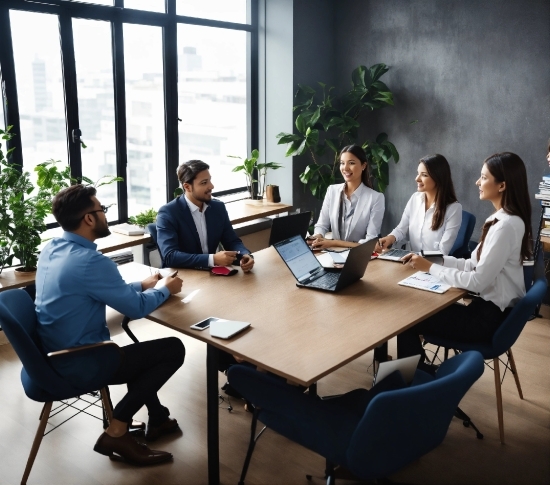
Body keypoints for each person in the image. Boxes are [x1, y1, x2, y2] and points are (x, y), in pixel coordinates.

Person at [35, 184, 185, 466]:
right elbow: (136, 308)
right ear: (89, 218)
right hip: (80, 362)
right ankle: (117, 430)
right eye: (102, 210)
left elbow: (92, 288)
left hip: (51, 355)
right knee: (172, 349)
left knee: (138, 355)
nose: (105, 215)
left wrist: (141, 284)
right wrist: (166, 288)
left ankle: (159, 418)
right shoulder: (91, 261)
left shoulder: (52, 248)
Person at [397, 152, 532, 371]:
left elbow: (477, 281)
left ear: (502, 185)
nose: (477, 182)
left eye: (484, 177)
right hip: (486, 312)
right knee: (413, 312)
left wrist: (431, 268)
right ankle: (420, 375)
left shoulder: (505, 226)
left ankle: (412, 380)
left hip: (486, 321)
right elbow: (471, 264)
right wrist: (434, 260)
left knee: (406, 319)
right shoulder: (499, 220)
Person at [156, 159, 254, 272]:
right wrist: (212, 259)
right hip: (183, 277)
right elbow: (170, 256)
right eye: (204, 183)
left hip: (211, 274)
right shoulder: (168, 213)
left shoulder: (218, 208)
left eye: (210, 180)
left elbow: (232, 241)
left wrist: (244, 255)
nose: (211, 186)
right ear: (187, 187)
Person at [375, 154, 462, 255]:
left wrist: (414, 257)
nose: (417, 179)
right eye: (418, 173)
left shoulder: (454, 208)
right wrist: (390, 238)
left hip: (432, 266)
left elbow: (442, 251)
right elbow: (401, 229)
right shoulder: (415, 198)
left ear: (438, 177)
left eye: (424, 175)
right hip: (410, 261)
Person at [308, 145, 384, 250]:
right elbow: (322, 225)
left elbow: (370, 242)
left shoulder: (376, 198)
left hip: (358, 256)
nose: (345, 168)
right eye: (342, 163)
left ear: (363, 165)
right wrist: (317, 237)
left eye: (351, 163)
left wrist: (333, 243)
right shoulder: (332, 191)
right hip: (332, 253)